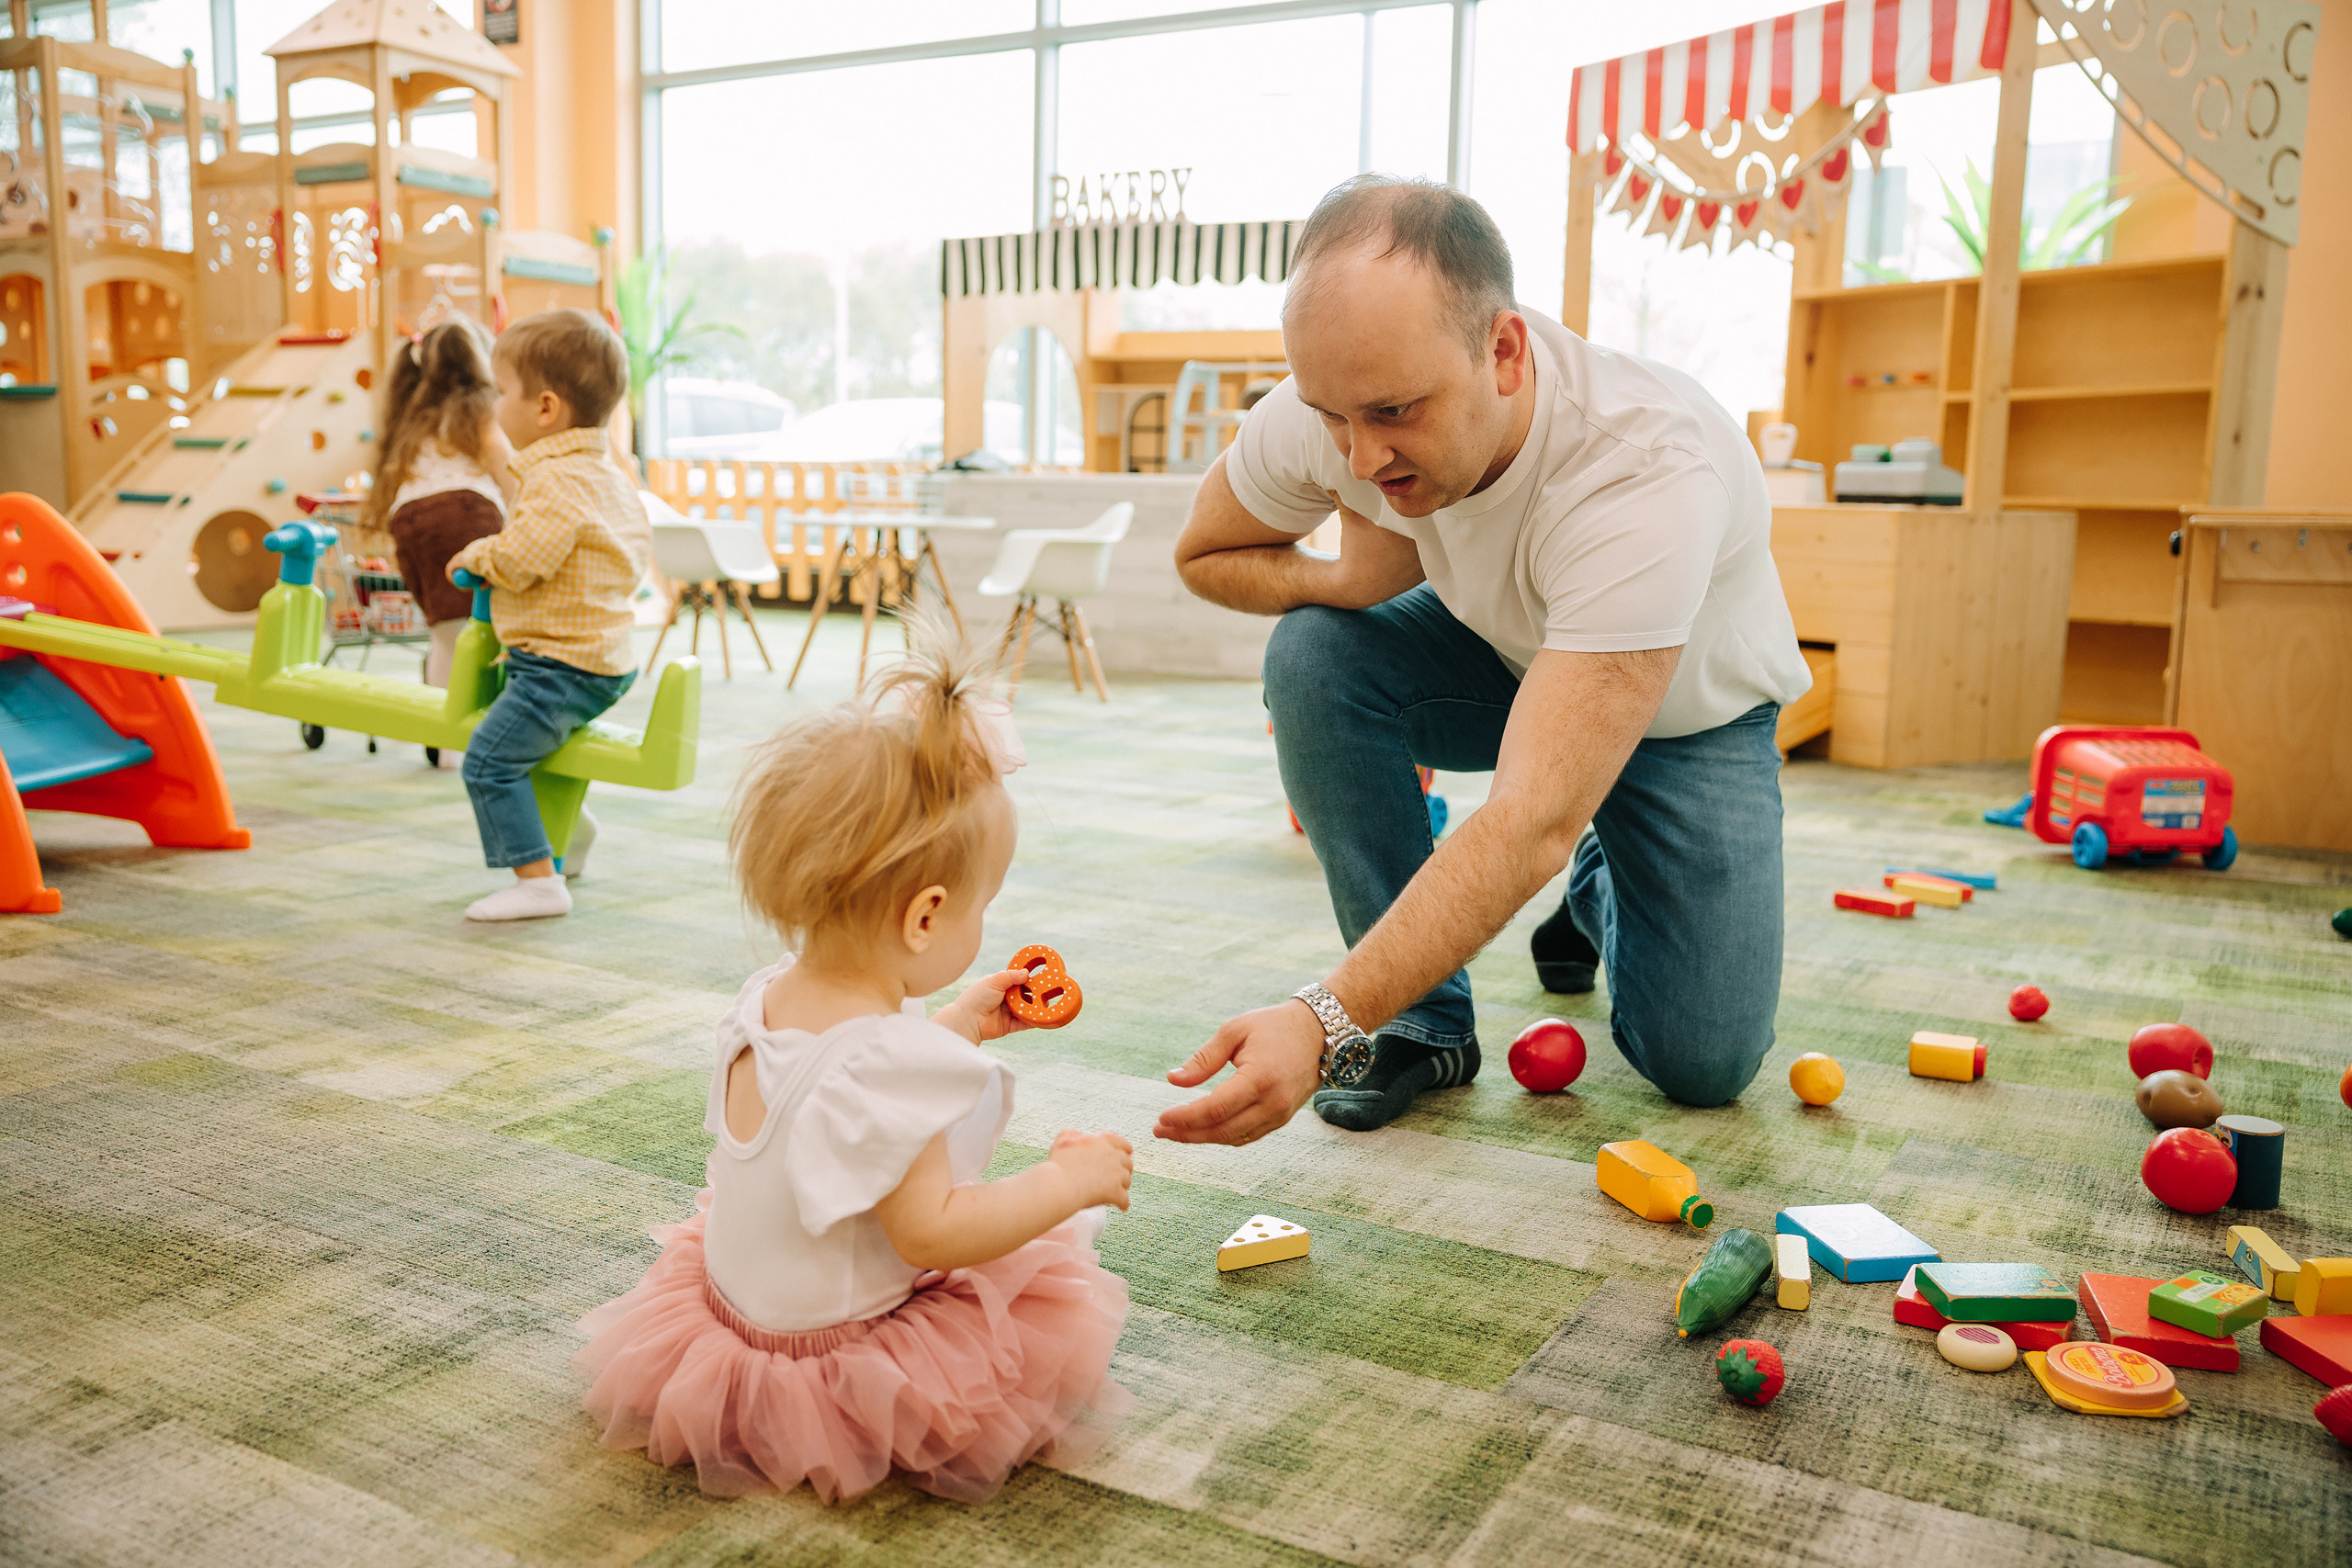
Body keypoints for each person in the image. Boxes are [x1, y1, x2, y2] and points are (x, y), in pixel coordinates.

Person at [1157, 175, 1809, 1145]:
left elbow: (1528, 822)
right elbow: (1202, 554)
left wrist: (1319, 1018)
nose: (1360, 457)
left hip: (1689, 716)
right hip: (1505, 657)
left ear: (1503, 352)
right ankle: (1424, 1025)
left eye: (1393, 412)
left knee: (1703, 1066)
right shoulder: (1334, 405)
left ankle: (1599, 877)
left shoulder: (1642, 470)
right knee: (1316, 656)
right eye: (1333, 416)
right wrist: (1344, 579)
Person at [574, 636, 1134, 1504]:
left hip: (735, 1311)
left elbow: (843, 1090)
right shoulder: (887, 1063)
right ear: (925, 918)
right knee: (1027, 1258)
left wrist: (955, 1026)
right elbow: (933, 1233)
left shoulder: (767, 997)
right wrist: (1068, 1181)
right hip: (835, 1350)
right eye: (983, 905)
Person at [447, 309, 650, 920]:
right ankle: (571, 836)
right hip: (602, 657)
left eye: (502, 390)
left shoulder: (554, 481)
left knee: (489, 761)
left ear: (545, 409)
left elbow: (521, 559)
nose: (494, 404)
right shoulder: (606, 473)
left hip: (561, 666)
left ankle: (539, 883)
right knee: (532, 751)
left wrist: (476, 555)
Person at [366, 317, 516, 767]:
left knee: (445, 636)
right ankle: (484, 736)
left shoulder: (410, 416)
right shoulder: (483, 409)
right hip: (468, 514)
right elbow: (509, 472)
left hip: (410, 523)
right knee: (487, 633)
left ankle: (447, 744)